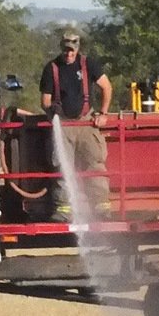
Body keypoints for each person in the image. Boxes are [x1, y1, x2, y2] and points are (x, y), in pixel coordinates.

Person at [39, 29, 113, 220]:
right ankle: (64, 209)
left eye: (72, 50)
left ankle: (101, 207)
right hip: (62, 126)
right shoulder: (51, 68)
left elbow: (106, 86)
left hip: (86, 122)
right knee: (62, 165)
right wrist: (51, 110)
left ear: (78, 48)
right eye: (65, 50)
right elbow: (45, 100)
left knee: (94, 162)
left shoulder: (88, 64)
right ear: (61, 48)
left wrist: (103, 114)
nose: (69, 54)